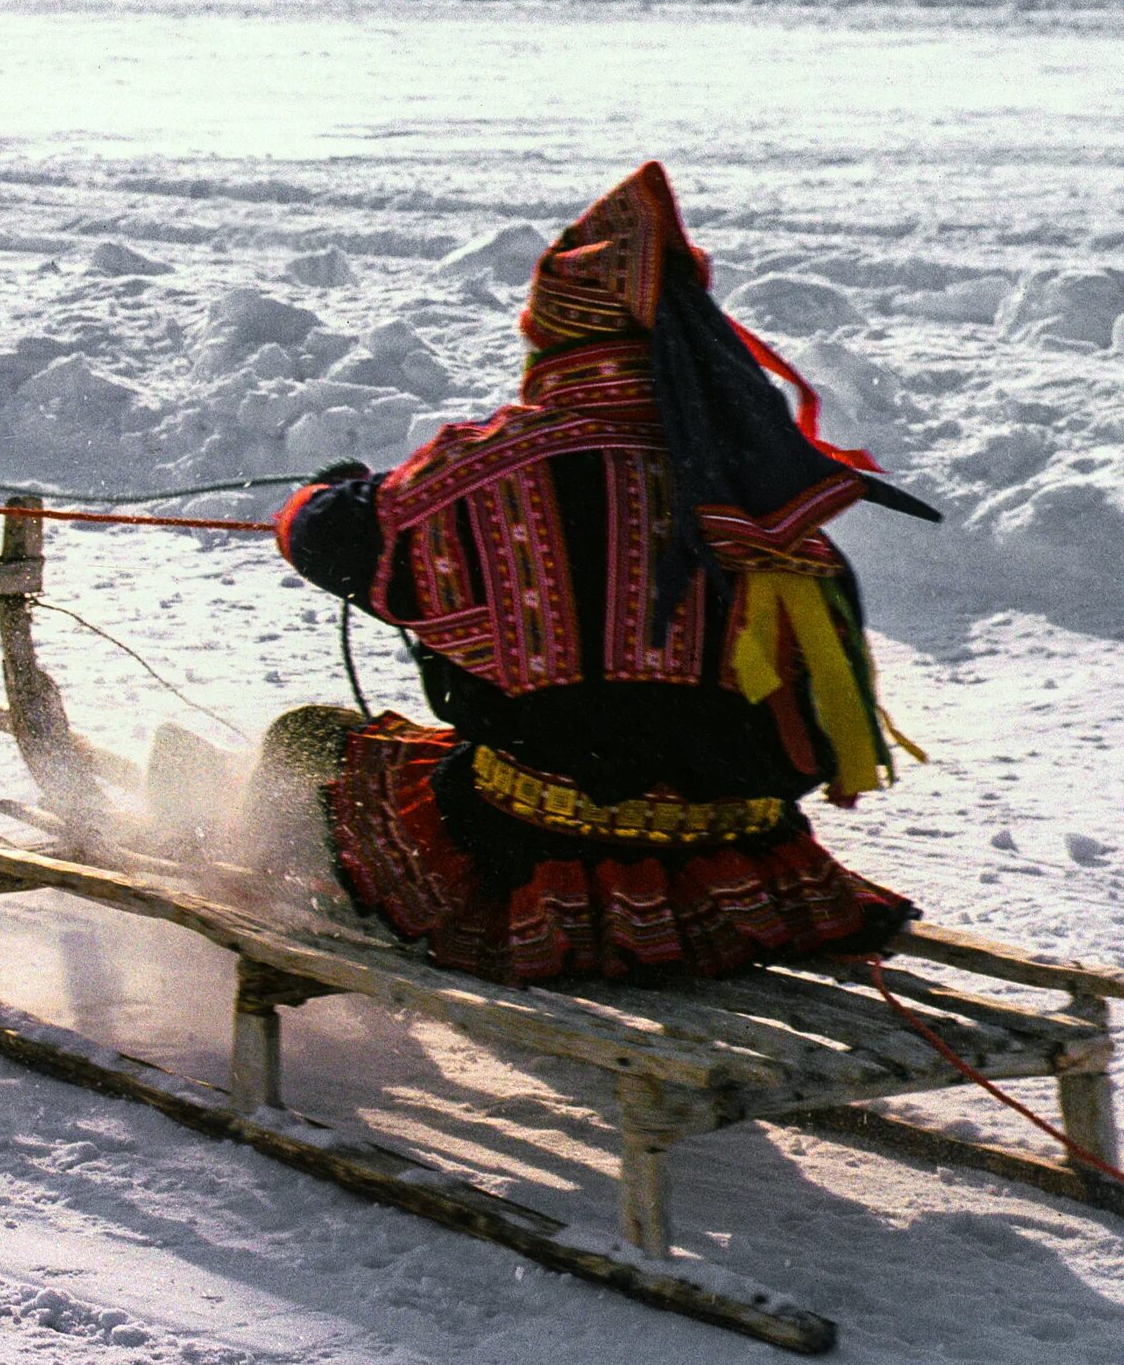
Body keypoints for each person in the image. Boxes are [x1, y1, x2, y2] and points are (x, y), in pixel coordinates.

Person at [262, 161, 942, 987]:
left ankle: (283, 927)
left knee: (309, 742)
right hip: (747, 869)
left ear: (555, 334)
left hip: (543, 853)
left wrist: (330, 490)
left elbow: (321, 535)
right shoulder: (770, 494)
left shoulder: (493, 467)